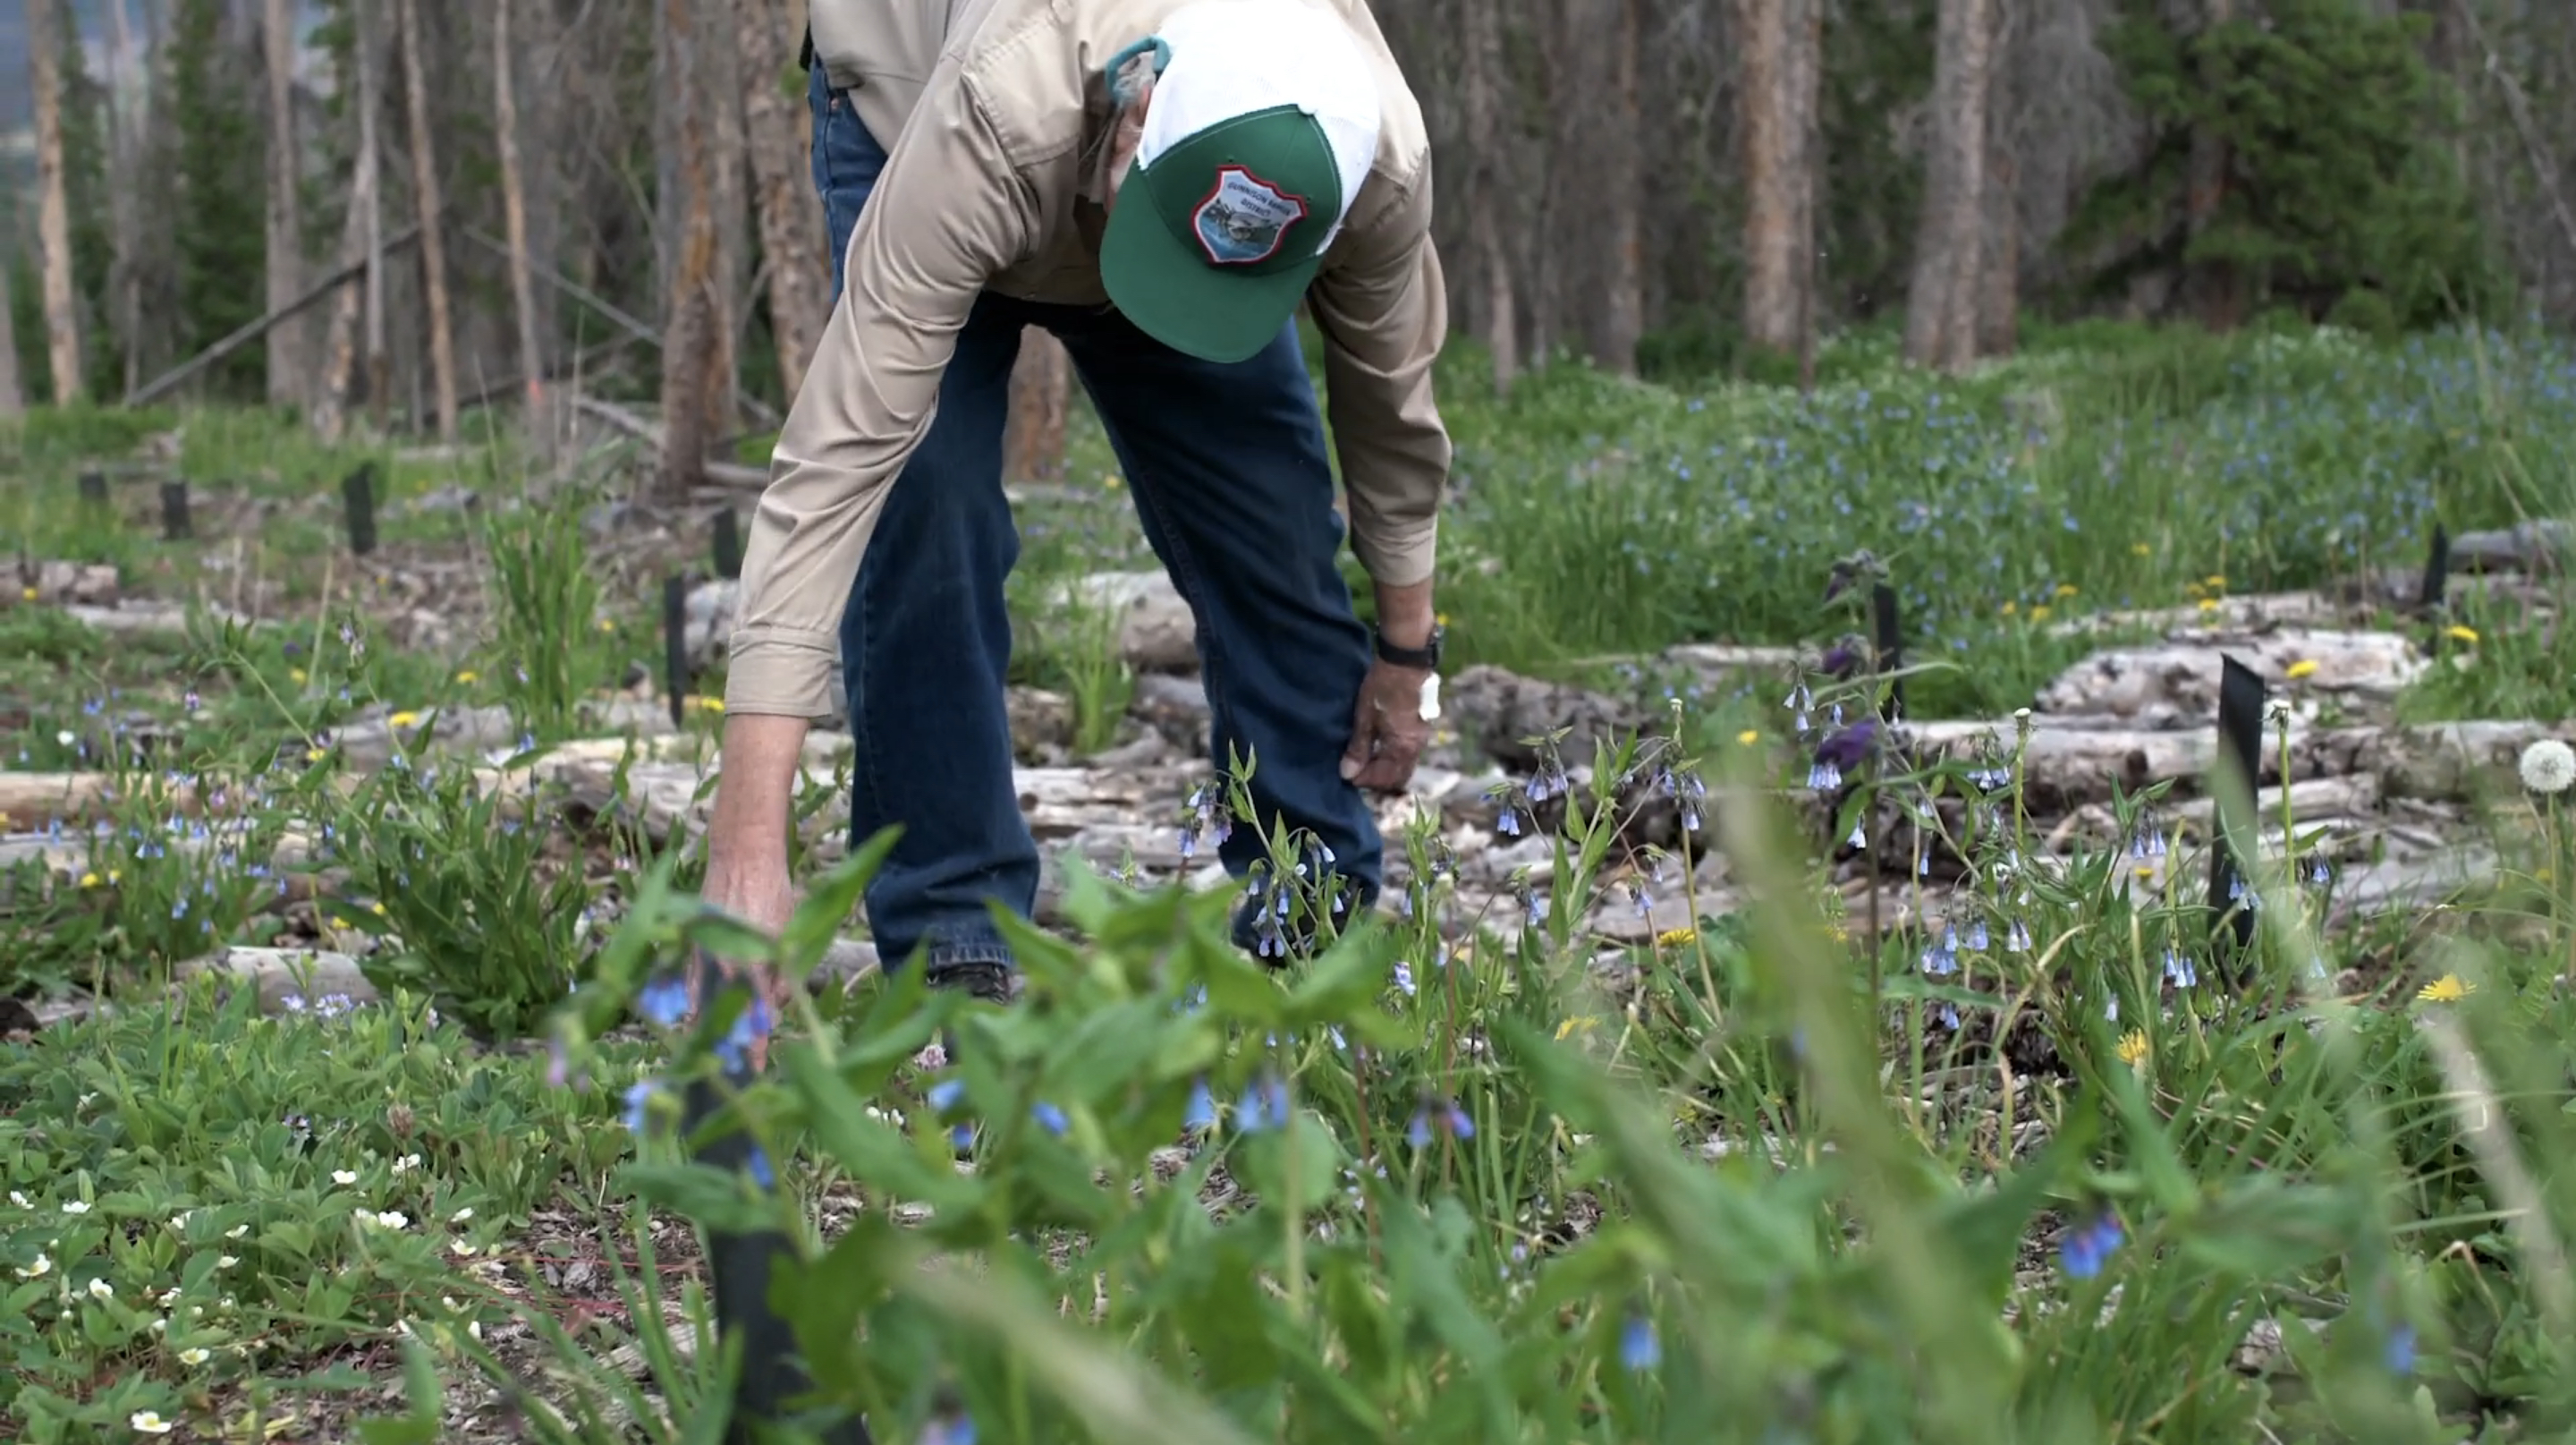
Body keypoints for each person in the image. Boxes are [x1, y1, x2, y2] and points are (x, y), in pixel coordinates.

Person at [699, 0, 1457, 1033]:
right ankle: (951, 940)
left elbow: (1392, 410)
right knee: (929, 511)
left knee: (1272, 503)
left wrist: (1410, 656)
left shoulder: (1376, 157)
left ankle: (1308, 921)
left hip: (1131, 166)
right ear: (1139, 116)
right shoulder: (990, 116)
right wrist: (748, 852)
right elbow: (834, 469)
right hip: (922, 101)